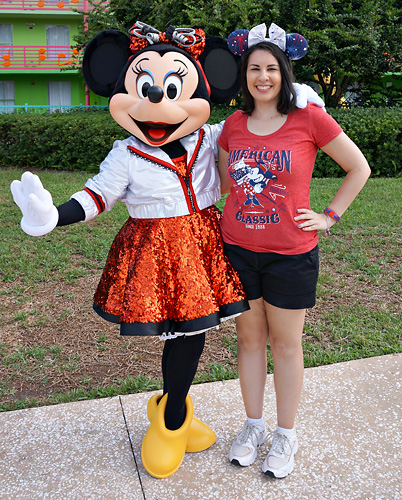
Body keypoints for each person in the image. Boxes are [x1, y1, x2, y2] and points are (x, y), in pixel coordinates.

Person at [10, 21, 321, 479]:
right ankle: (172, 418)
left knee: (195, 334)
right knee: (181, 335)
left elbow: (258, 126)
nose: (158, 100)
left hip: (205, 243)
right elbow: (98, 195)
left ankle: (172, 411)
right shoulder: (127, 153)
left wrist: (300, 102)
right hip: (157, 249)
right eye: (145, 87)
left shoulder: (209, 136)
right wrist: (54, 215)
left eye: (174, 87)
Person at [218, 23, 371, 479]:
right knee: (248, 341)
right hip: (237, 249)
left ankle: (285, 434)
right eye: (253, 69)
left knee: (285, 345)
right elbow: (223, 184)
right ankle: (252, 427)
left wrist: (330, 216)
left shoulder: (310, 119)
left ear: (284, 73)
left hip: (291, 252)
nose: (262, 77)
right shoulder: (232, 125)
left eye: (270, 68)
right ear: (244, 75)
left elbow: (358, 167)